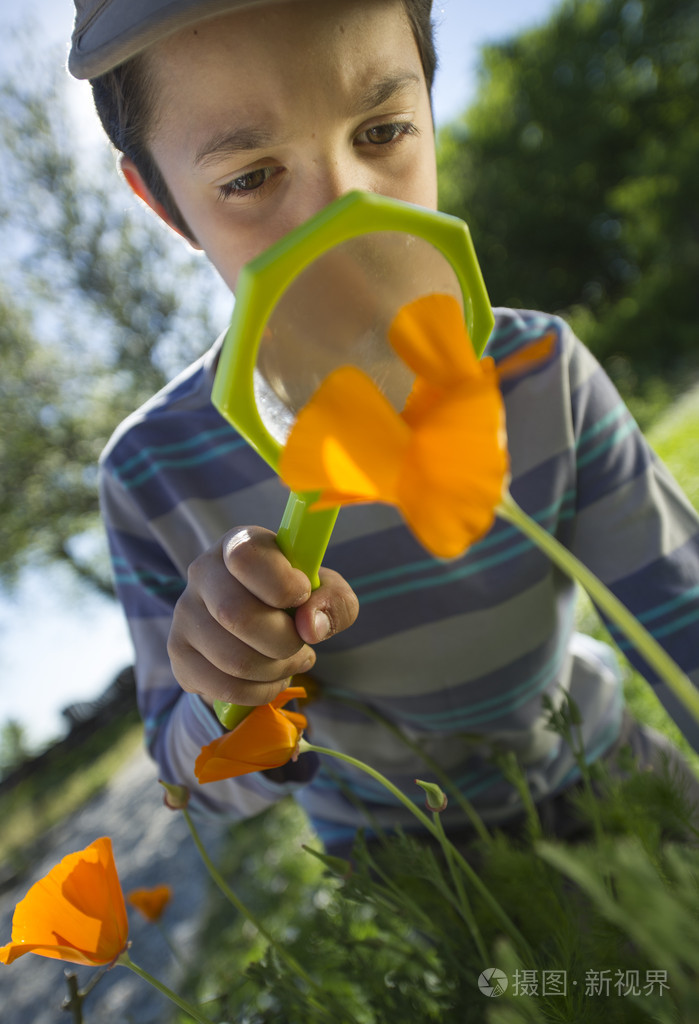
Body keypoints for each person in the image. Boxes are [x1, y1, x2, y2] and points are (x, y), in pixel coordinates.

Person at [69, 0, 699, 853]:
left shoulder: (541, 370)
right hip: (409, 865)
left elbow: (683, 623)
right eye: (250, 176)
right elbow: (200, 792)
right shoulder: (153, 475)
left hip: (604, 768)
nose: (344, 213)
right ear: (162, 202)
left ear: (430, 114)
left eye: (381, 131)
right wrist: (229, 688)